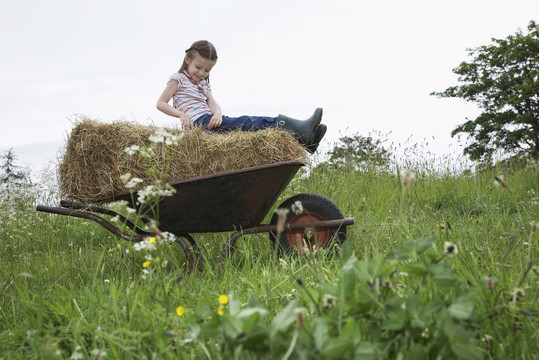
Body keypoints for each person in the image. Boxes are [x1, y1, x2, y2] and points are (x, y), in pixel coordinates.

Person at [156, 40, 326, 153]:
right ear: (187, 59)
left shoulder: (202, 83)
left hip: (210, 119)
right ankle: (290, 126)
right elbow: (161, 103)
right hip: (198, 125)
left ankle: (305, 141)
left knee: (245, 125)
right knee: (246, 123)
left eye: (207, 70)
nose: (201, 73)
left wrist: (218, 114)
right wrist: (181, 114)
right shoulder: (178, 79)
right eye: (198, 67)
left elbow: (213, 103)